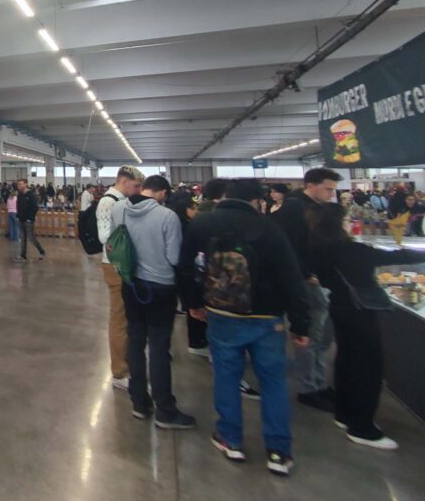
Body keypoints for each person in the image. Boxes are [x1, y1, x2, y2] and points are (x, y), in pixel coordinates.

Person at [180, 178, 310, 476]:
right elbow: (291, 278)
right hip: (267, 316)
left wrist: (193, 303)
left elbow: (185, 266)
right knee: (273, 381)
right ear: (256, 200)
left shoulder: (203, 223)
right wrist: (300, 323)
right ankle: (278, 450)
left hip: (221, 311)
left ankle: (230, 437)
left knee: (226, 376)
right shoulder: (270, 229)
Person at [308, 202, 424, 449]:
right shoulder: (351, 250)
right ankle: (362, 427)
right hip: (359, 311)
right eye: (347, 219)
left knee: (347, 361)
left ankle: (344, 413)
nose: (351, 222)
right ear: (338, 223)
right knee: (369, 368)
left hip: (339, 306)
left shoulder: (318, 247)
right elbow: (393, 257)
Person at [110, 175, 194, 429]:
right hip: (160, 288)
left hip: (130, 285)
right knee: (158, 347)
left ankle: (139, 402)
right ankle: (165, 410)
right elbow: (174, 257)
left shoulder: (119, 209)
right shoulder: (167, 216)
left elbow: (114, 243)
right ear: (163, 193)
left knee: (135, 342)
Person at [275, 167, 341, 412]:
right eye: (328, 189)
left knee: (321, 336)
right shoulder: (295, 208)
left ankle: (318, 383)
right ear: (311, 185)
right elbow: (289, 245)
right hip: (308, 281)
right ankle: (309, 388)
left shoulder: (312, 207)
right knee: (311, 335)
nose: (331, 194)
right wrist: (306, 273)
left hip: (317, 277)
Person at [97, 165, 145, 391]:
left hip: (124, 265)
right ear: (124, 181)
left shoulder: (123, 201)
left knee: (126, 317)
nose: (139, 190)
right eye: (136, 186)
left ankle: (128, 362)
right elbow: (105, 237)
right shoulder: (108, 202)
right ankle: (119, 371)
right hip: (115, 265)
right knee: (119, 318)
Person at [168, 190, 206, 356]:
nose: (196, 211)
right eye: (192, 208)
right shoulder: (185, 227)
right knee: (193, 305)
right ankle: (197, 343)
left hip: (177, 274)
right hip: (183, 274)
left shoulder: (181, 224)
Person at [13, 178, 46, 263]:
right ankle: (23, 256)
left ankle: (42, 251)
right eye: (18, 184)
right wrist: (17, 216)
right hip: (20, 219)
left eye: (20, 184)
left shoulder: (31, 195)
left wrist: (30, 218)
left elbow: (34, 207)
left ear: (25, 184)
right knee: (23, 238)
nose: (19, 186)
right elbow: (18, 206)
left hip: (28, 221)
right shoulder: (20, 194)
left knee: (31, 238)